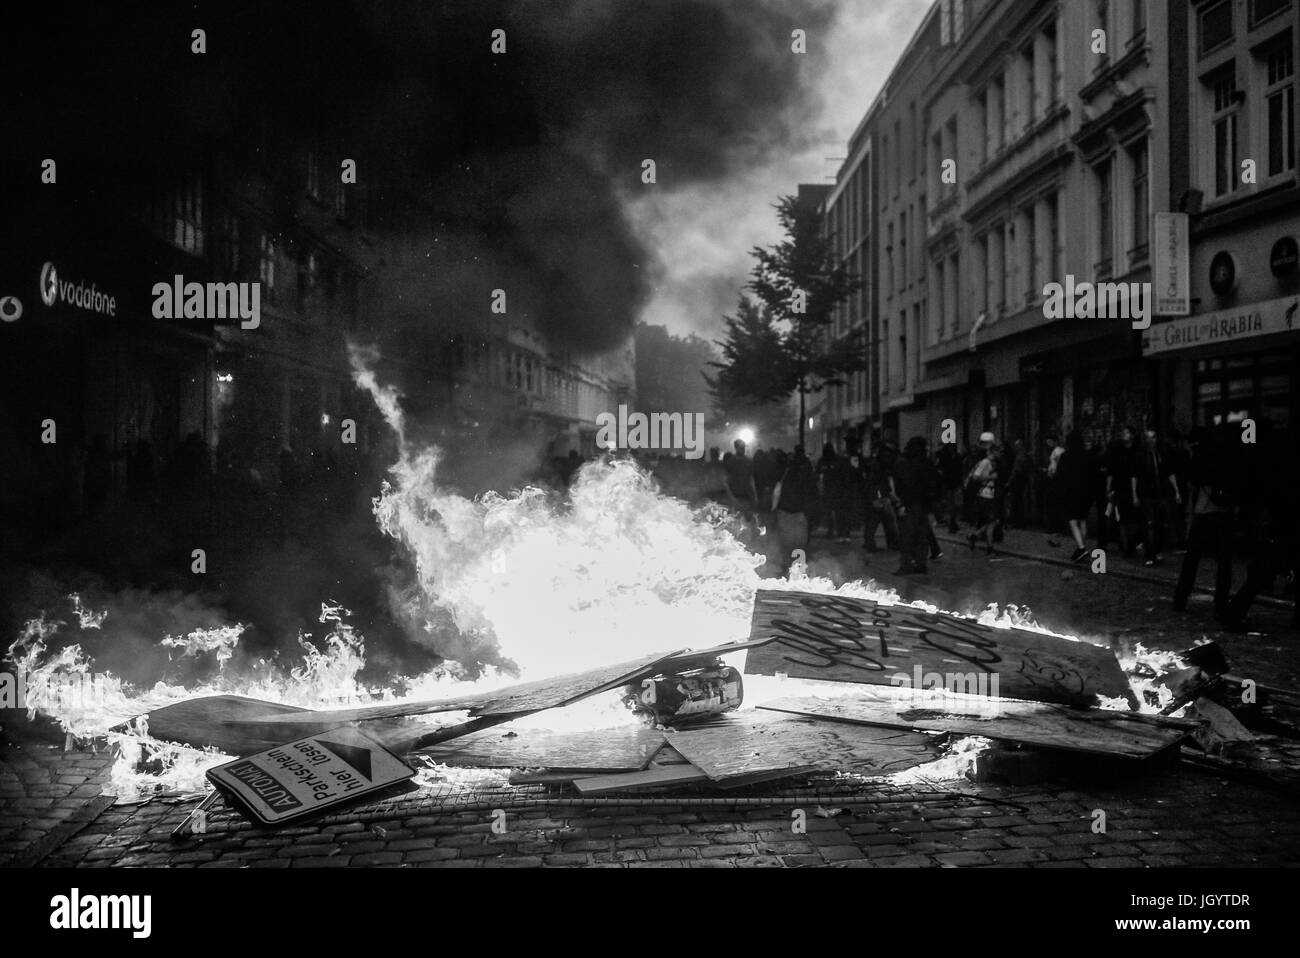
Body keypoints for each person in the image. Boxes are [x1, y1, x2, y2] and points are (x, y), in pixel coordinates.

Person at [1173, 427, 1236, 620]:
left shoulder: (1199, 459)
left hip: (1204, 512)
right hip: (1224, 513)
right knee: (1224, 561)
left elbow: (1192, 479)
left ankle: (1181, 599)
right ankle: (1221, 601)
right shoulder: (1225, 457)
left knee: (1192, 558)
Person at [1135, 427, 1181, 566]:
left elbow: (1169, 473)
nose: (1151, 441)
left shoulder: (1162, 455)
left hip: (1161, 493)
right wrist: (1135, 495)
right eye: (1148, 438)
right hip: (1146, 494)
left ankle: (1157, 551)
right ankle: (1150, 555)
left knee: (1160, 523)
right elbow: (1135, 476)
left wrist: (1176, 490)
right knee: (1149, 524)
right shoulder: (1141, 456)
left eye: (1153, 437)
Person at [893, 436, 939, 574]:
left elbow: (902, 484)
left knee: (907, 536)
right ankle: (921, 564)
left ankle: (906, 564)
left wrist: (901, 503)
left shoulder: (904, 462)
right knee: (922, 536)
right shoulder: (926, 462)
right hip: (923, 504)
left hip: (910, 504)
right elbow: (934, 483)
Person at [773, 445, 817, 572]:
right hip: (800, 511)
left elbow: (777, 488)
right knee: (799, 543)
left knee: (786, 541)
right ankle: (798, 569)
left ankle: (785, 567)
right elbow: (811, 491)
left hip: (785, 510)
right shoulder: (807, 470)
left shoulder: (786, 470)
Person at [1056, 431, 1092, 562]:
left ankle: (1081, 548)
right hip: (1086, 492)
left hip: (1071, 492)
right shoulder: (1087, 455)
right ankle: (1081, 547)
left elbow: (1060, 475)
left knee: (1072, 521)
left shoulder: (1066, 456)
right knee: (1082, 520)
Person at [1105, 427, 1140, 557]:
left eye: (1126, 433)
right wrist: (1109, 489)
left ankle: (1130, 544)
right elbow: (1111, 471)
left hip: (1133, 488)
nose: (1123, 435)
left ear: (1132, 435)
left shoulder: (1137, 451)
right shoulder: (1118, 451)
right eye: (1123, 432)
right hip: (1120, 488)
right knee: (1122, 518)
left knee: (1132, 518)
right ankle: (1126, 546)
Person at [966, 433, 999, 555]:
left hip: (988, 494)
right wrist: (992, 477)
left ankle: (975, 536)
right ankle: (989, 547)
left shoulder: (988, 462)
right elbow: (976, 477)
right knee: (992, 522)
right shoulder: (985, 462)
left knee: (991, 521)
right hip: (985, 495)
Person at [862, 444, 899, 553]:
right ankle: (888, 544)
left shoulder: (878, 465)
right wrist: (878, 498)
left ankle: (872, 544)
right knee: (878, 522)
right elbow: (874, 483)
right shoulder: (878, 466)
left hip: (879, 497)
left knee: (879, 522)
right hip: (879, 498)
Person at [722, 438, 757, 517]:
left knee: (745, 519)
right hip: (738, 495)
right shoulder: (731, 462)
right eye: (741, 447)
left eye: (743, 447)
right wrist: (731, 496)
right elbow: (725, 481)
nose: (743, 449)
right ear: (736, 448)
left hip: (745, 495)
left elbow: (751, 479)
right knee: (737, 519)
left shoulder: (748, 461)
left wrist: (755, 495)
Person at [936, 439, 964, 533]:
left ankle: (953, 521)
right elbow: (940, 468)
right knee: (950, 504)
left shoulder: (958, 457)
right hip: (948, 483)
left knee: (955, 504)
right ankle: (951, 523)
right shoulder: (945, 457)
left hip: (955, 483)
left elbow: (960, 470)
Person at [1007, 439, 1032, 528]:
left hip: (1018, 480)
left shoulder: (1019, 457)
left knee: (1016, 501)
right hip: (1023, 479)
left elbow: (1016, 470)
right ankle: (1020, 521)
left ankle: (1018, 521)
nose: (1015, 448)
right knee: (1019, 500)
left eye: (1016, 446)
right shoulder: (1026, 455)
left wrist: (1010, 481)